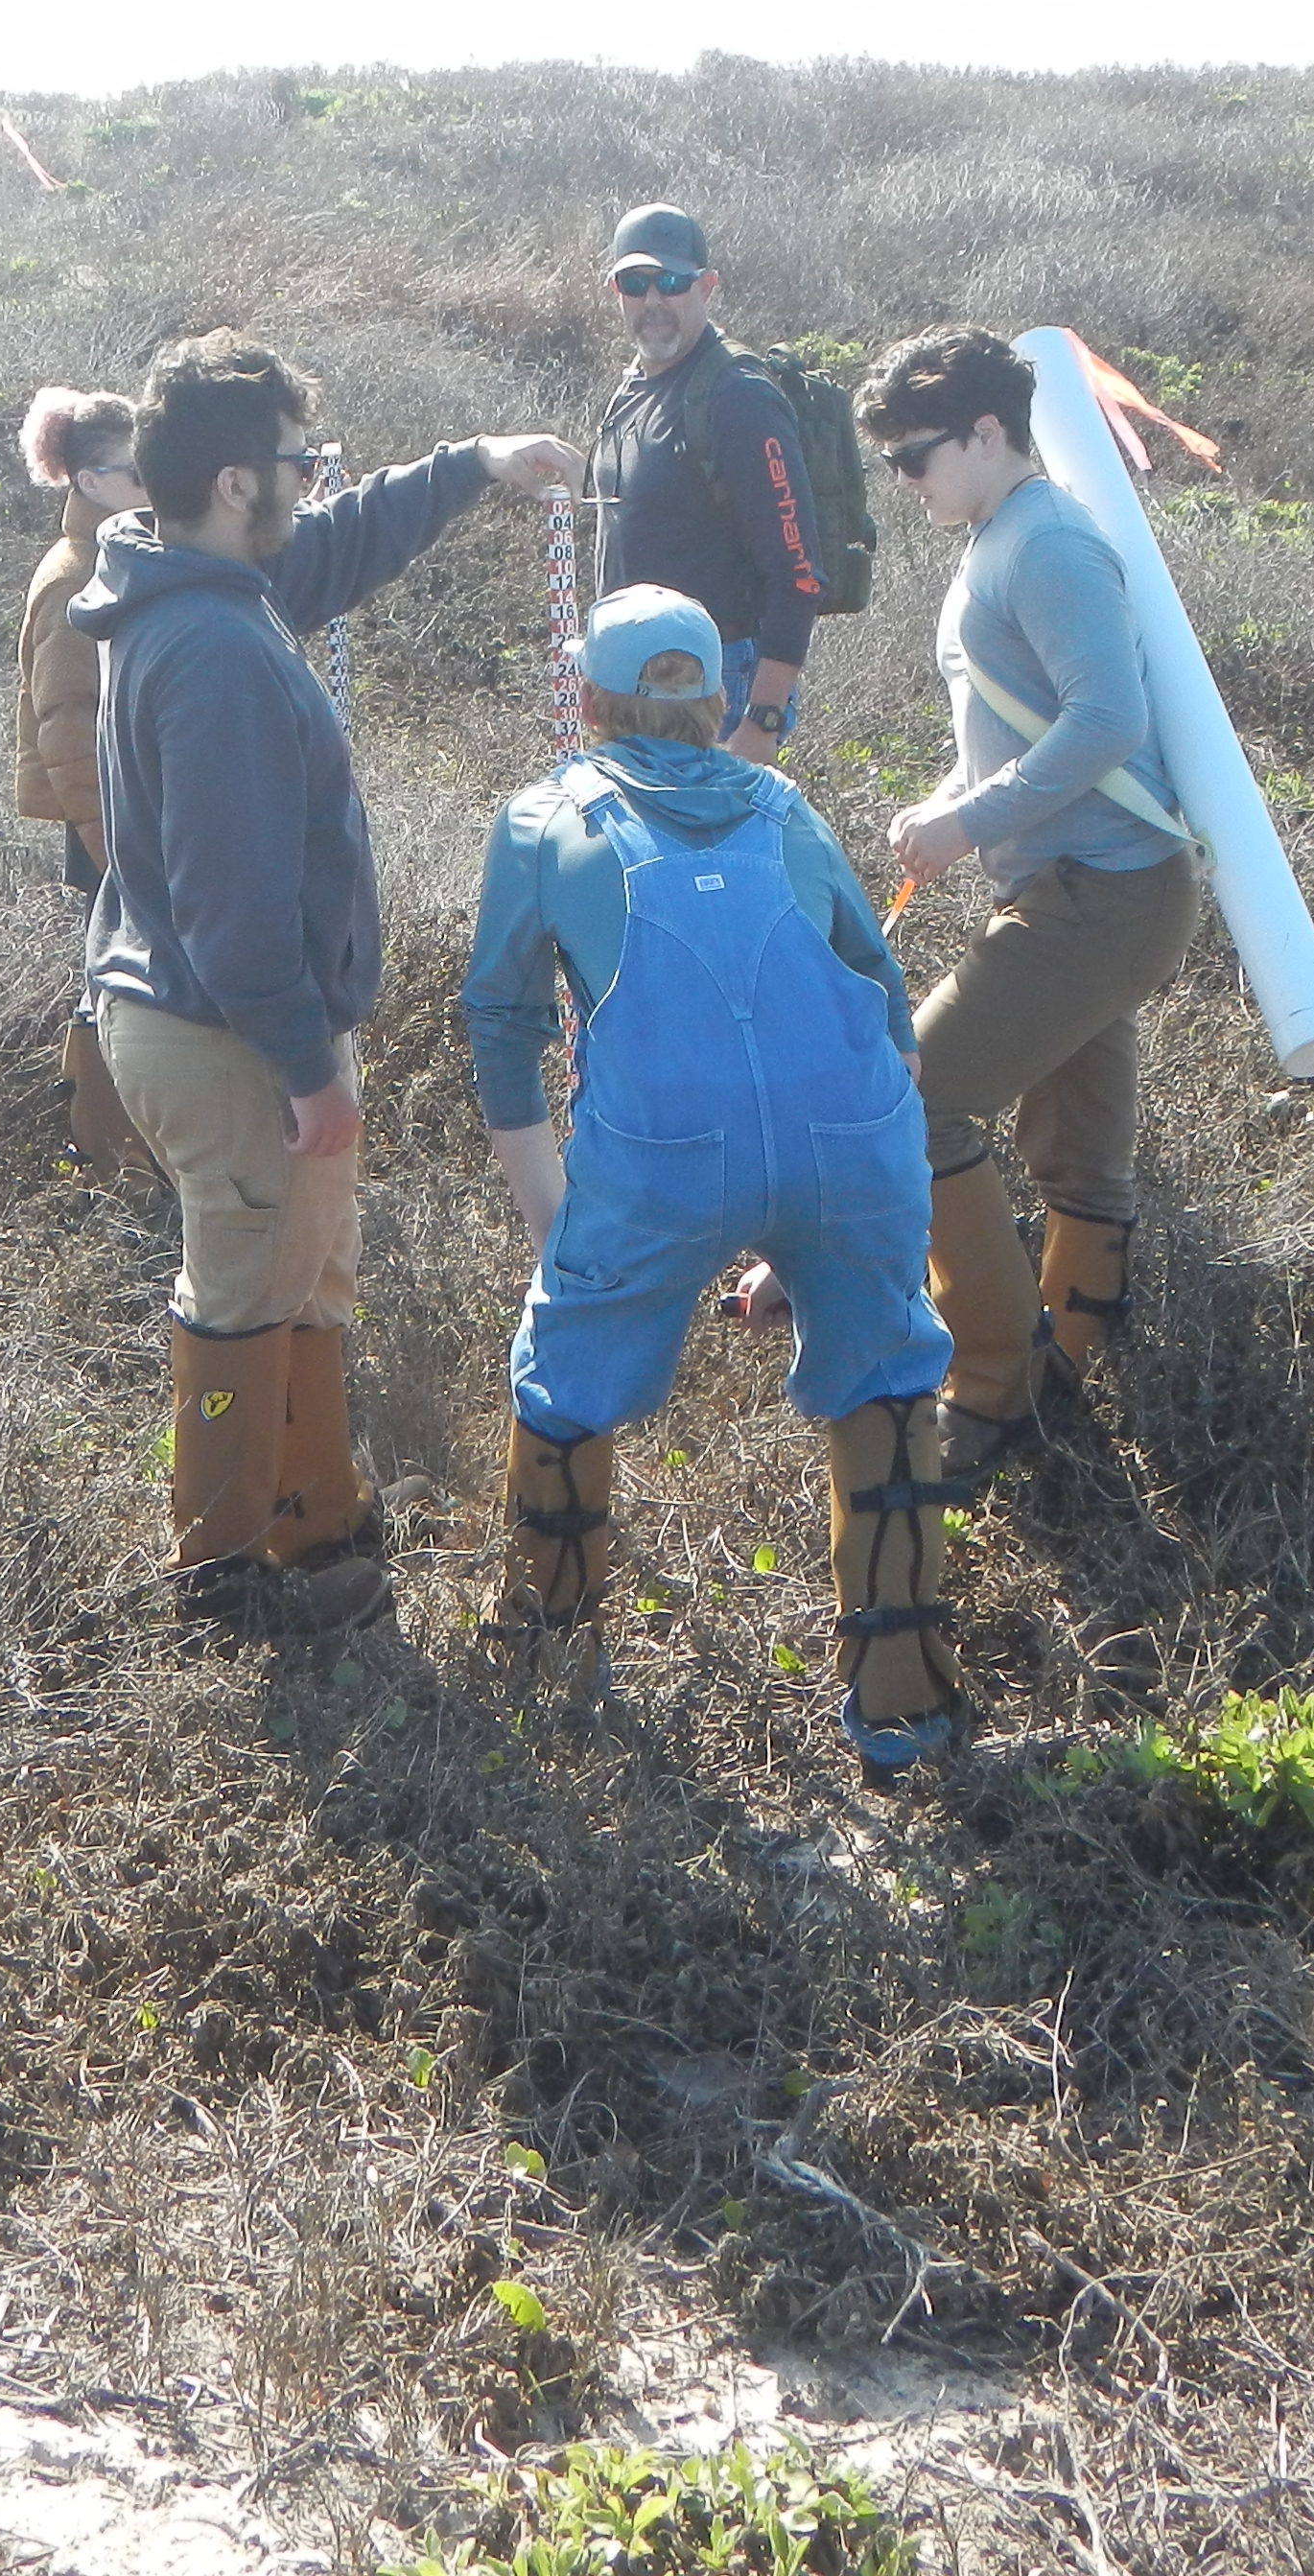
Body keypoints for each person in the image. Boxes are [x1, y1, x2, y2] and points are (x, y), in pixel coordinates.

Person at [81, 331, 581, 1635]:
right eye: (297, 466)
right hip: (227, 1035)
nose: (311, 485)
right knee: (246, 1295)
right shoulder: (217, 653)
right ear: (240, 484)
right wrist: (306, 1067)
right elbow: (231, 902)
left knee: (303, 1279)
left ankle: (318, 1525)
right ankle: (227, 1582)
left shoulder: (185, 579)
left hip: (211, 1019)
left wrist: (473, 465)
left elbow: (337, 546)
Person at [462, 588, 968, 1768]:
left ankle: (548, 1667)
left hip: (659, 1163)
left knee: (568, 1379)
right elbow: (885, 1006)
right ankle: (904, 1703)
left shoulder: (542, 817)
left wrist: (556, 1221)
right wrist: (822, 1222)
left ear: (585, 699)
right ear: (720, 699)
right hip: (856, 1137)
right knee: (889, 1375)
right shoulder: (783, 801)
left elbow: (501, 1023)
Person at [856, 327, 1202, 1480]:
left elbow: (1108, 722)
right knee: (1079, 1150)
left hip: (1101, 898)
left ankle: (999, 1390)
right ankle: (1085, 1345)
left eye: (914, 458)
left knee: (911, 1100)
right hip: (1084, 891)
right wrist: (950, 802)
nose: (906, 483)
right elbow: (1029, 718)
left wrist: (970, 821)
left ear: (989, 432)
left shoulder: (1044, 543)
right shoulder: (1001, 535)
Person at [588, 205, 826, 767]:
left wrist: (762, 719)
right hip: (627, 682)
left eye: (672, 283)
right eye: (636, 283)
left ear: (707, 286)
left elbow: (798, 573)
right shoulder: (633, 386)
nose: (654, 302)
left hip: (712, 688)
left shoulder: (738, 397)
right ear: (614, 290)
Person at [12, 385, 153, 1180]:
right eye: (137, 475)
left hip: (124, 817)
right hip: (105, 821)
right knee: (115, 993)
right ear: (88, 481)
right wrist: (116, 847)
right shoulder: (76, 577)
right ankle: (108, 1164)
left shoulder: (121, 558)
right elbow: (65, 729)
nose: (154, 488)